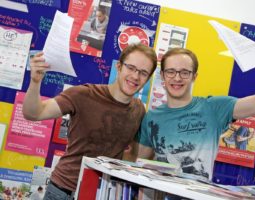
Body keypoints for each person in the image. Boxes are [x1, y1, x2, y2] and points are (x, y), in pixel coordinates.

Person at [23, 43, 157, 199]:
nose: (135, 76)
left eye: (143, 72)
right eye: (131, 68)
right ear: (119, 67)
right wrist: (35, 81)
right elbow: (33, 113)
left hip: (101, 194)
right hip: (64, 191)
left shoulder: (139, 110)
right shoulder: (83, 94)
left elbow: (131, 156)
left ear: (148, 78)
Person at [134, 41, 255, 180]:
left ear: (194, 77)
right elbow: (140, 165)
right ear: (163, 76)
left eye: (185, 72)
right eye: (171, 71)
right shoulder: (152, 118)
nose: (177, 78)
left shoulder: (214, 108)